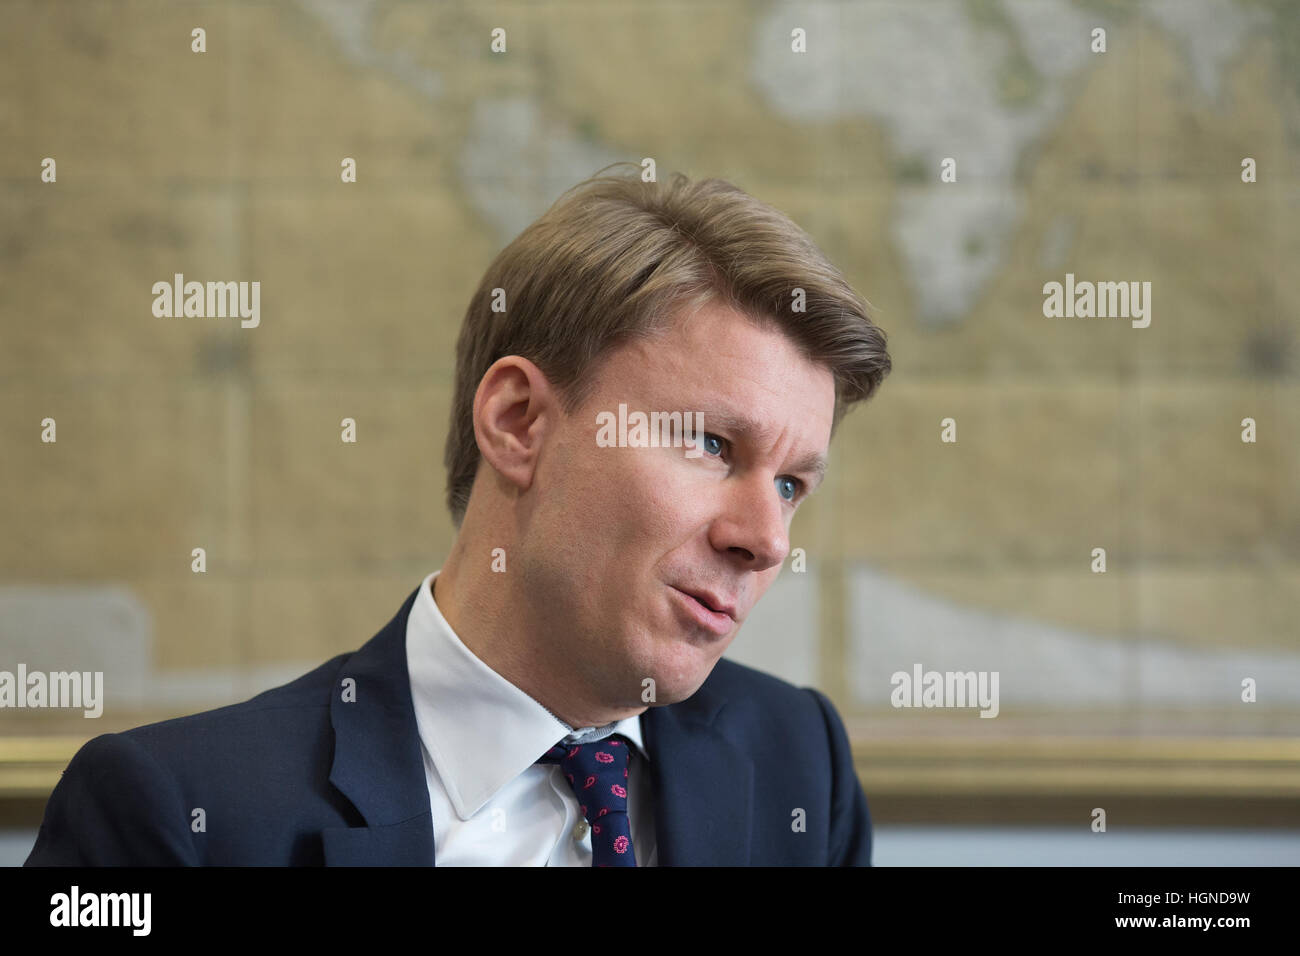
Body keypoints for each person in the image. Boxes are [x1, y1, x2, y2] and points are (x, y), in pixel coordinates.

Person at [25, 163, 891, 866]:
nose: (767, 540)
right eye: (709, 444)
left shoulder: (798, 765)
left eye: (790, 485)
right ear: (519, 423)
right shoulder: (177, 817)